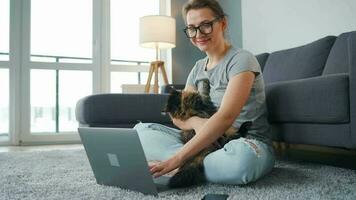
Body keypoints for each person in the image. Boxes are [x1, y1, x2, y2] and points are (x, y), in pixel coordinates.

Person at [134, 0, 275, 185]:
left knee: (241, 164)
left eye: (206, 25)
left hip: (243, 143)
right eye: (192, 28)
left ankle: (182, 162)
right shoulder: (197, 68)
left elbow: (226, 116)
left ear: (222, 23)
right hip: (203, 142)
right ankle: (195, 161)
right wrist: (198, 123)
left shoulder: (242, 60)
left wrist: (177, 159)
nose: (198, 34)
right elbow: (178, 116)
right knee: (140, 131)